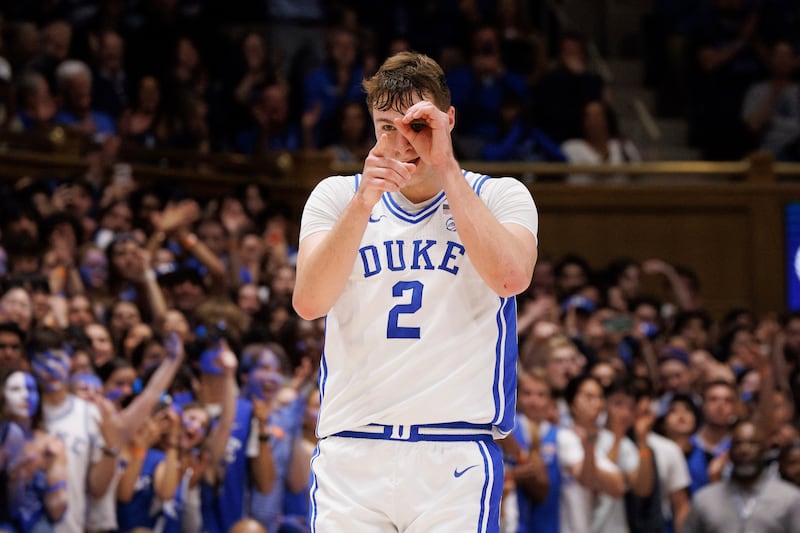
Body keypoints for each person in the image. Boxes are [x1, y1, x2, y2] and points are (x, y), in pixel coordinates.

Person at [292, 51, 539, 531]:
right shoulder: (338, 196)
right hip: (352, 451)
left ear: (447, 119)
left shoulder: (500, 195)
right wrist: (365, 200)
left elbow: (511, 279)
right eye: (385, 126)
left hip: (453, 453)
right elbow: (308, 302)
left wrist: (446, 168)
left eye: (416, 125)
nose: (400, 140)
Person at [683, 420, 800, 532]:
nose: (744, 450)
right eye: (738, 443)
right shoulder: (704, 500)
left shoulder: (790, 499)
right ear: (729, 451)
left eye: (752, 443)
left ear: (765, 449)